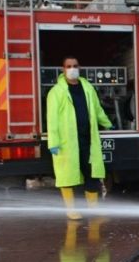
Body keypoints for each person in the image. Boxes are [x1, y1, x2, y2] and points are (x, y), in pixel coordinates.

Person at [47, 56, 113, 220]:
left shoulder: (88, 87)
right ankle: (71, 210)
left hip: (88, 140)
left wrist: (108, 123)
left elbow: (97, 109)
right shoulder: (56, 92)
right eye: (68, 66)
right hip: (67, 143)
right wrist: (53, 142)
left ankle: (93, 208)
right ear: (63, 70)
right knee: (67, 176)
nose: (72, 69)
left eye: (75, 66)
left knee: (92, 173)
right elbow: (52, 119)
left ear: (80, 67)